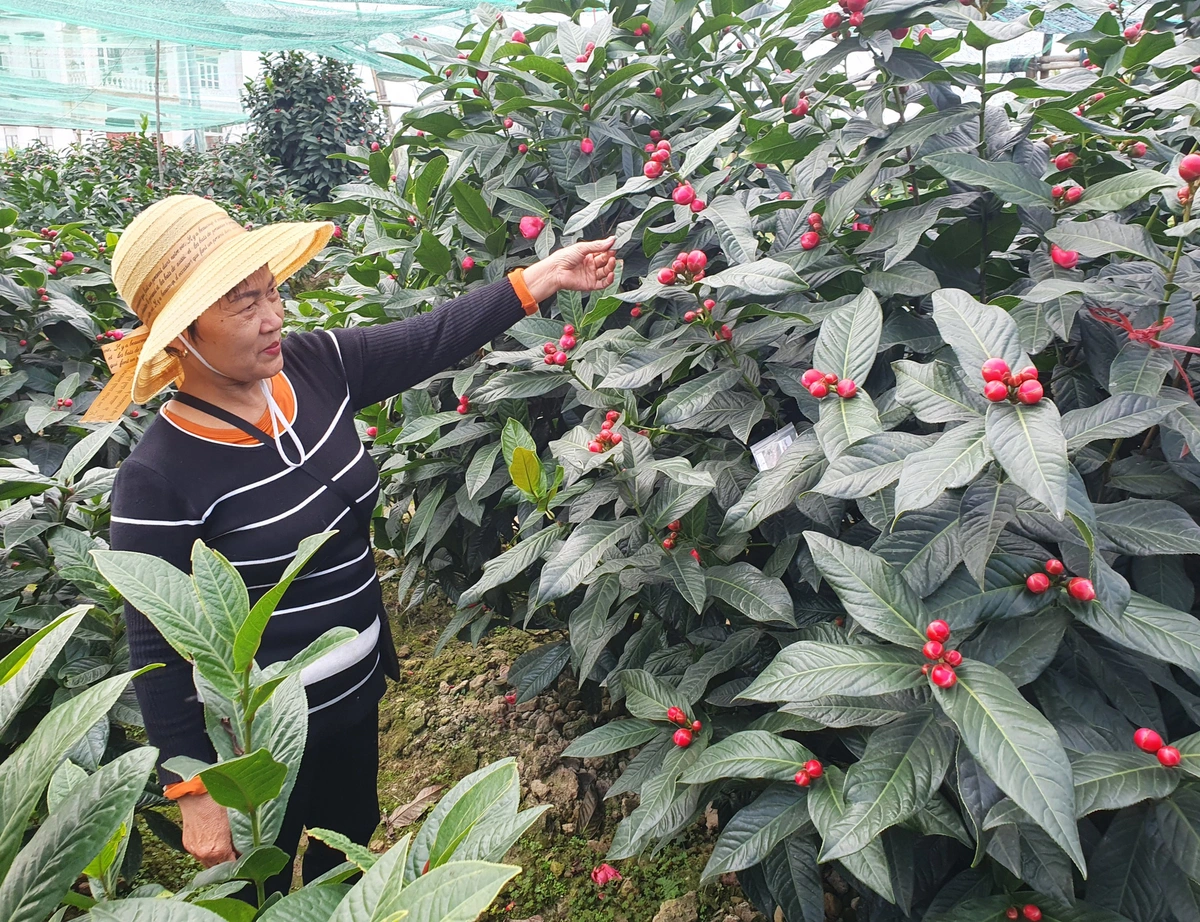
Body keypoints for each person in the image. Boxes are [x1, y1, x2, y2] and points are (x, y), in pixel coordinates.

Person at [90, 194, 616, 893]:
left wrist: (545, 276)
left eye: (270, 291)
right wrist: (193, 787)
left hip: (357, 693)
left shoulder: (317, 365)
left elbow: (431, 337)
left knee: (349, 844)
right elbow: (152, 640)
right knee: (262, 887)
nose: (273, 316)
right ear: (183, 334)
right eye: (243, 304)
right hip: (257, 741)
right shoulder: (159, 475)